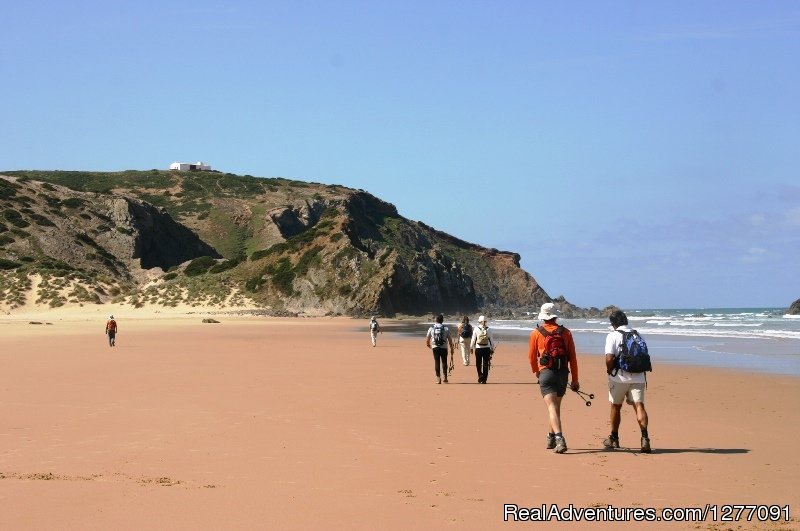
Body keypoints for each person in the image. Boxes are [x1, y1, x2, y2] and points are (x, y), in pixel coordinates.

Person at [528, 302, 579, 454]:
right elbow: (573, 358)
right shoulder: (566, 333)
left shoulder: (536, 333)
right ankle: (550, 437)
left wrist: (536, 371)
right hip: (563, 373)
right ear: (555, 316)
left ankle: (559, 438)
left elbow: (531, 357)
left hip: (546, 373)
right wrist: (575, 379)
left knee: (552, 407)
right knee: (555, 407)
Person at [603, 309, 651, 453]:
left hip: (619, 377)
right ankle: (645, 438)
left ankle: (614, 437)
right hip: (639, 376)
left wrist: (609, 370)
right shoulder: (637, 334)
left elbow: (609, 358)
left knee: (616, 407)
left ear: (613, 324)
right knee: (639, 406)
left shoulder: (613, 336)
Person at [425, 314, 455, 384]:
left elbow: (428, 338)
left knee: (437, 362)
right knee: (444, 362)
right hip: (444, 347)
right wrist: (452, 348)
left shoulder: (431, 328)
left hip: (435, 347)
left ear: (436, 320)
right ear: (442, 320)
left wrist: (428, 344)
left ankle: (438, 378)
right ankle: (445, 377)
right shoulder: (446, 328)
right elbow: (450, 340)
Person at [470, 315, 495, 384]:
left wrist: (471, 348)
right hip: (487, 348)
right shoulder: (489, 329)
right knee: (485, 364)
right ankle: (484, 379)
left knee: (478, 363)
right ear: (485, 321)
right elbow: (492, 340)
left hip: (478, 348)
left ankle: (480, 375)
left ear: (479, 321)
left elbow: (473, 339)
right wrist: (492, 348)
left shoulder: (476, 329)